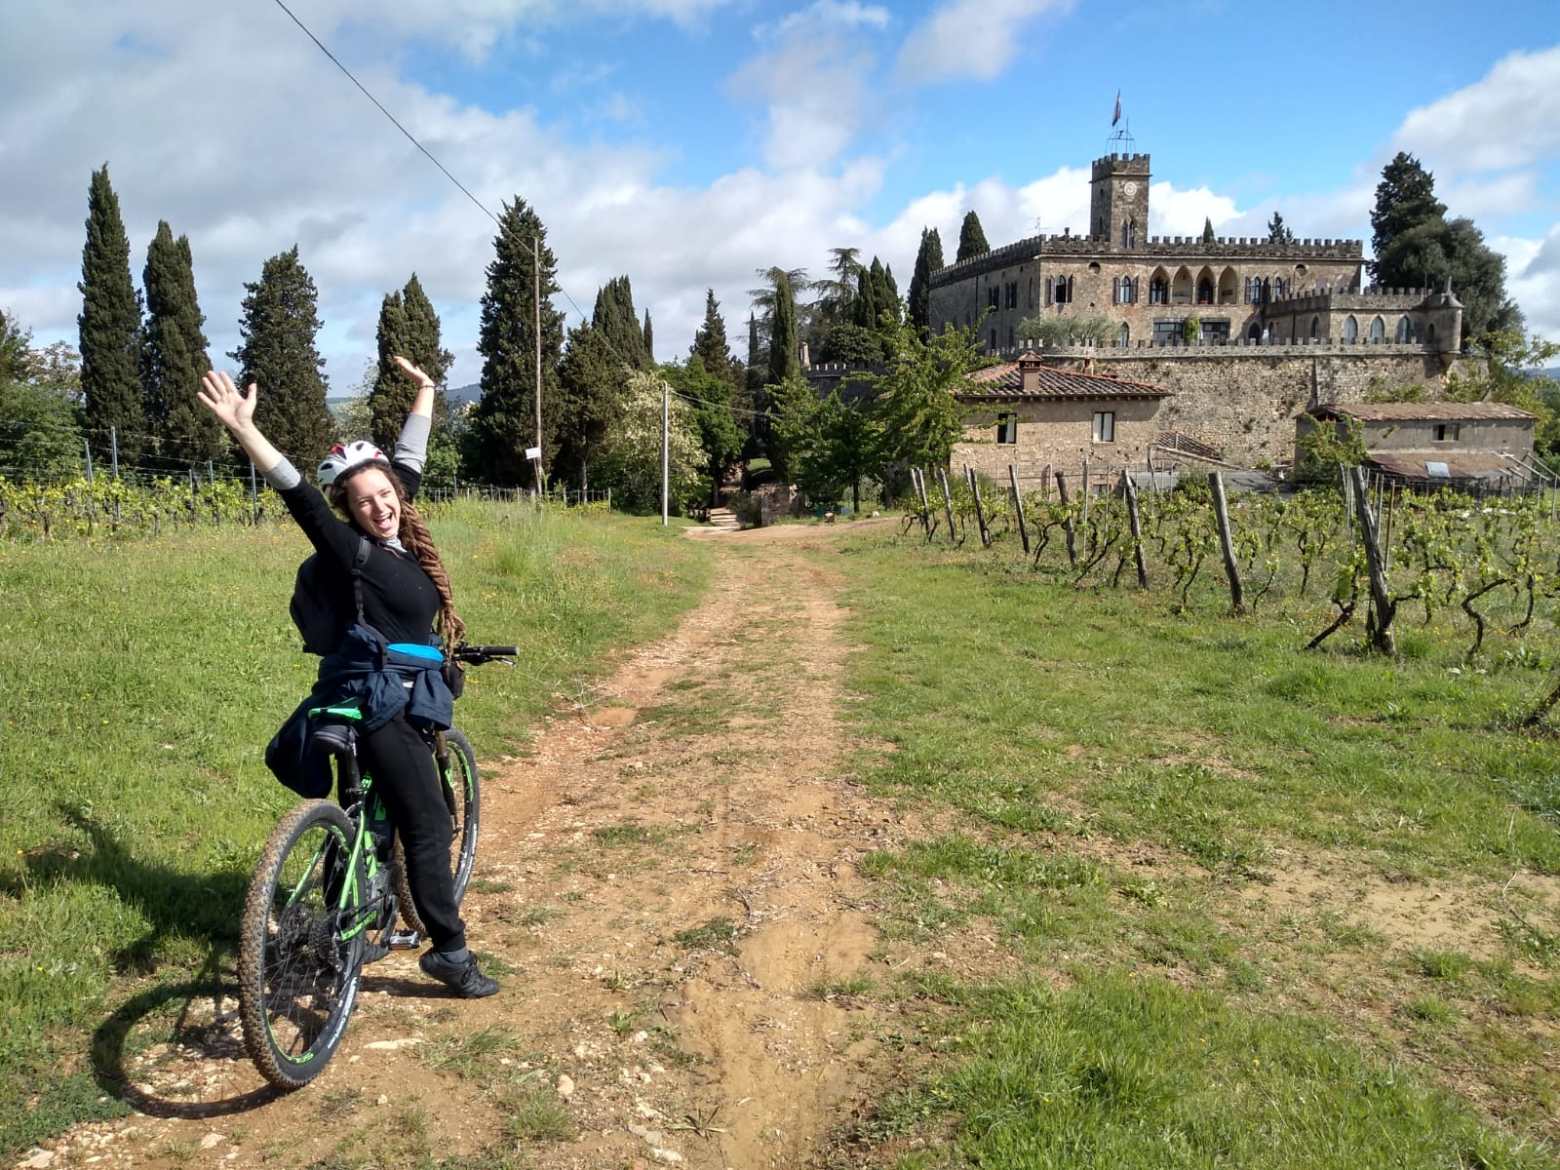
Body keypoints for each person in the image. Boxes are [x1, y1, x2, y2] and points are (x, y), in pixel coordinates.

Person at [197, 359, 498, 999]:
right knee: (427, 822)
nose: (380, 505)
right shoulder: (354, 553)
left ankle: (340, 930)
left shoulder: (398, 527)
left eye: (386, 493)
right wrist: (244, 431)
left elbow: (409, 457)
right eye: (363, 502)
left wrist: (426, 391)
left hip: (365, 696)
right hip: (380, 698)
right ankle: (449, 953)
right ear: (349, 512)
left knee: (367, 819)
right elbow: (300, 496)